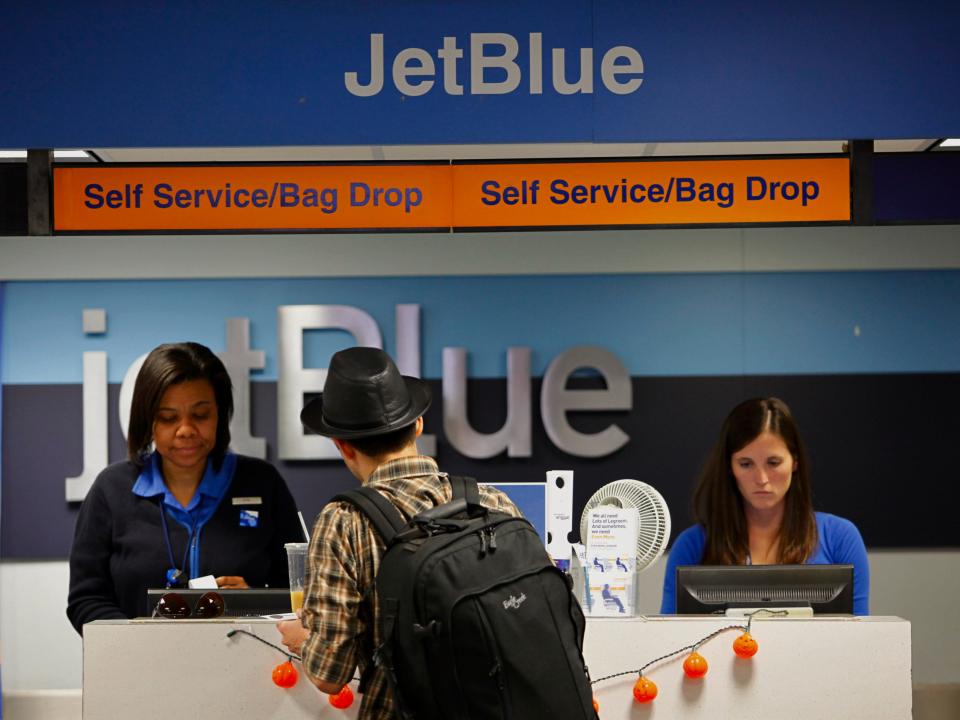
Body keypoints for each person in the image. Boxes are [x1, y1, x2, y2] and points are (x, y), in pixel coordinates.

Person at [276, 346, 522, 719]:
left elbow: (330, 674)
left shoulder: (344, 521)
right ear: (418, 425)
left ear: (341, 445)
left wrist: (300, 638)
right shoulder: (491, 502)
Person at [67, 341, 302, 634]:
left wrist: (255, 599)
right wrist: (135, 644)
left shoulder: (263, 483)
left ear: (220, 414)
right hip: (140, 670)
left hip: (245, 666)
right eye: (168, 418)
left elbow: (300, 594)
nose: (186, 429)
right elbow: (86, 599)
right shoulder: (111, 490)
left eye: (201, 415)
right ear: (148, 420)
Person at [660, 397, 869, 615]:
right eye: (746, 464)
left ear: (794, 461)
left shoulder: (840, 537)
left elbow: (861, 637)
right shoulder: (692, 545)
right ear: (730, 467)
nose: (761, 478)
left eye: (773, 463)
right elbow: (671, 641)